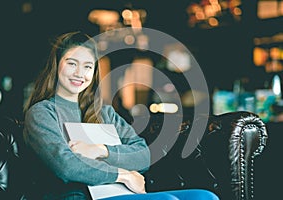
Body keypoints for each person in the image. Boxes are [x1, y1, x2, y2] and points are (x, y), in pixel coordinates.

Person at [23, 30, 219, 200]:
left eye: (87, 67)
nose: (79, 73)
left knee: (205, 196)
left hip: (117, 193)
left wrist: (101, 150)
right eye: (71, 63)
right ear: (56, 66)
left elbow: (143, 155)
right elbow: (66, 166)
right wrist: (123, 175)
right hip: (76, 196)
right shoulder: (42, 113)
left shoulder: (103, 112)